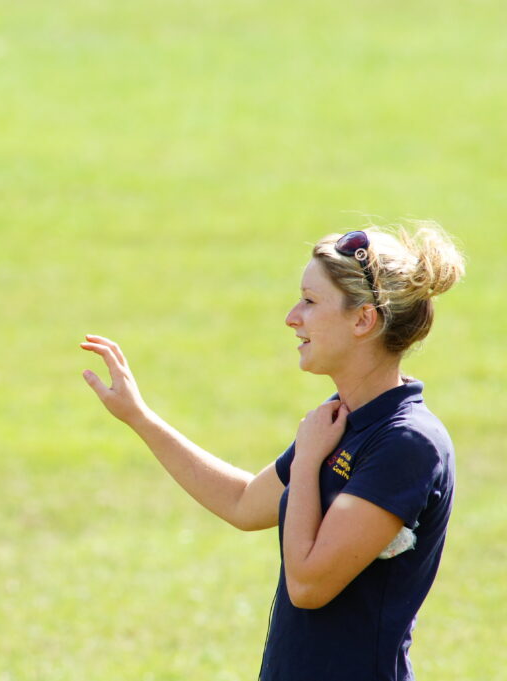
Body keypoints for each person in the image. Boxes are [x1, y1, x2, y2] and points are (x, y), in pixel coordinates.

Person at [81, 224, 464, 681]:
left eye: (309, 301)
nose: (291, 317)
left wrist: (306, 463)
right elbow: (243, 503)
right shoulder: (341, 419)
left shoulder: (406, 443)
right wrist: (139, 417)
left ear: (363, 320)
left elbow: (308, 583)